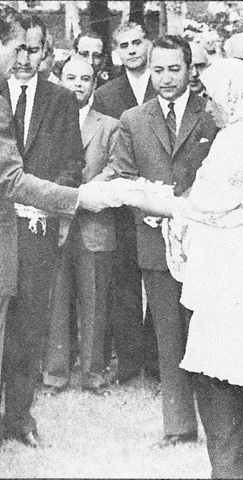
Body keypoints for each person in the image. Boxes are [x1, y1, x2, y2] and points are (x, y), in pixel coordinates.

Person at [119, 57, 243, 479]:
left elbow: (206, 208)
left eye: (214, 97)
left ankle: (231, 473)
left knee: (219, 385)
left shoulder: (239, 139)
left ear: (234, 97)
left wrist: (149, 199)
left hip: (233, 285)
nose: (210, 106)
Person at [0, 5, 120, 448]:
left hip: (36, 229)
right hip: (2, 226)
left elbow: (73, 162)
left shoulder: (60, 99)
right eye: (20, 49)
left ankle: (19, 416)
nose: (26, 59)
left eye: (34, 50)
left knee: (29, 326)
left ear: (46, 52)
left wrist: (48, 206)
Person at [99, 35, 217, 447]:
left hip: (207, 244)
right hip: (154, 242)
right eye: (159, 69)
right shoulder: (133, 119)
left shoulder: (212, 114)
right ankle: (179, 427)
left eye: (175, 69)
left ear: (190, 70)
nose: (166, 78)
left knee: (206, 331)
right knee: (168, 336)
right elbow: (123, 176)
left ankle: (220, 425)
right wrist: (150, 202)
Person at [42, 57, 118, 395]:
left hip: (94, 225)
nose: (78, 84)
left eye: (85, 79)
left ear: (94, 83)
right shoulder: (50, 120)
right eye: (70, 77)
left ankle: (92, 374)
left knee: (94, 301)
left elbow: (117, 168)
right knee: (56, 301)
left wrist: (84, 192)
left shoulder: (110, 125)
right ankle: (55, 373)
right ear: (60, 79)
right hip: (54, 223)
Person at [93, 22, 158, 384]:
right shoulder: (106, 93)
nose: (131, 50)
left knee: (161, 280)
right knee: (126, 283)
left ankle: (158, 359)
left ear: (148, 45)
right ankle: (131, 363)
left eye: (137, 43)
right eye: (124, 45)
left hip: (159, 195)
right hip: (123, 200)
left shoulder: (163, 82)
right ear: (116, 51)